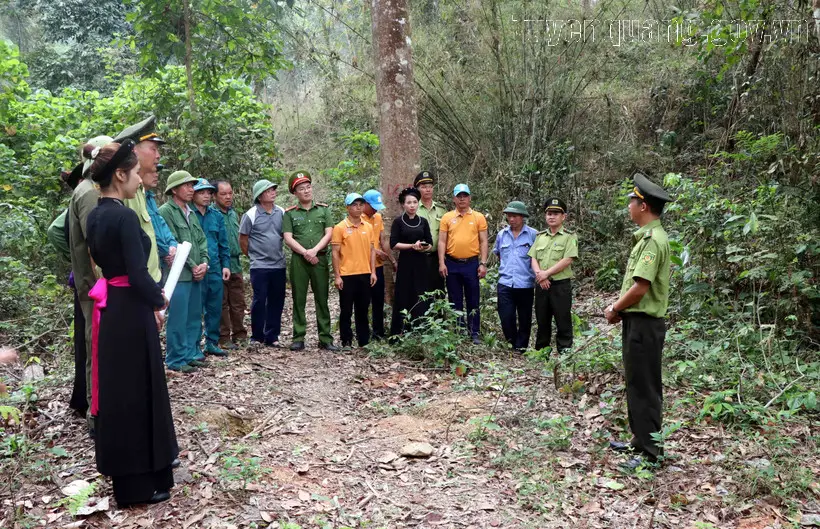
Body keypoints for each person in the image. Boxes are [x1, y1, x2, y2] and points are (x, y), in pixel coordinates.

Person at [84, 140, 177, 507]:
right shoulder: (123, 216)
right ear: (120, 175)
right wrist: (159, 297)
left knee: (121, 395)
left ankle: (132, 481)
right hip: (133, 310)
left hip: (112, 312)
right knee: (141, 392)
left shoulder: (95, 215)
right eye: (136, 173)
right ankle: (145, 480)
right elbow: (137, 274)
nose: (140, 179)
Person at [604, 173, 673, 469]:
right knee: (635, 383)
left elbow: (641, 286)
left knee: (645, 387)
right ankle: (639, 440)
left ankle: (650, 454)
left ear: (643, 206)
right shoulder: (648, 237)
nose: (629, 205)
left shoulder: (653, 240)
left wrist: (614, 308)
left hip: (645, 324)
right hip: (637, 322)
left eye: (632, 200)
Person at [68, 134, 114, 435]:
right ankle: (96, 417)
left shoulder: (90, 189)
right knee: (95, 348)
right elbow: (94, 244)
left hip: (97, 285)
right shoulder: (87, 193)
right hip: (95, 287)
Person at [113, 116, 177, 283]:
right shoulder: (122, 189)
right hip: (137, 284)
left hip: (150, 279)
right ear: (134, 150)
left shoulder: (140, 189)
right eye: (153, 149)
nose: (158, 155)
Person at [48, 163, 89, 416]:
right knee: (86, 341)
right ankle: (82, 400)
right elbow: (55, 231)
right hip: (86, 280)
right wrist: (76, 258)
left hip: (87, 280)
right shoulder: (83, 199)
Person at [159, 171, 209, 373]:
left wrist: (204, 263)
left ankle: (190, 353)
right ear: (174, 190)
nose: (191, 189)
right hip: (177, 276)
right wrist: (192, 265)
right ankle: (176, 358)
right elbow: (172, 244)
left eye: (192, 185)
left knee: (194, 316)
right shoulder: (166, 212)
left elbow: (201, 240)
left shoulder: (191, 212)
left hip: (196, 275)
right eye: (187, 186)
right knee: (178, 318)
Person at [282, 171, 338, 351]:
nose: (306, 191)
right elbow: (288, 238)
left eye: (308, 187)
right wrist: (306, 252)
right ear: (295, 193)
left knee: (322, 298)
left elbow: (329, 233)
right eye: (301, 189)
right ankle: (298, 337)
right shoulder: (290, 214)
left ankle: (325, 338)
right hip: (299, 261)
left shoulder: (323, 209)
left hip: (319, 259)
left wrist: (314, 251)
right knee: (299, 299)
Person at [438, 184, 488, 344]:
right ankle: (459, 332)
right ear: (454, 199)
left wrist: (483, 263)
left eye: (464, 196)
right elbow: (442, 241)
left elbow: (484, 241)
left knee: (473, 299)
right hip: (452, 263)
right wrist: (441, 263)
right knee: (455, 299)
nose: (462, 199)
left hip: (471, 264)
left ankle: (474, 333)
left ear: (469, 198)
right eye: (459, 196)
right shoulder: (447, 217)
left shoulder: (478, 217)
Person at [239, 179, 286, 348]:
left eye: (274, 189)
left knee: (277, 300)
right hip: (259, 266)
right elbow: (243, 239)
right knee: (259, 300)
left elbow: (285, 235)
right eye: (268, 190)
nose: (273, 192)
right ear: (260, 196)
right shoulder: (250, 214)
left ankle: (272, 336)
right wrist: (253, 256)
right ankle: (257, 336)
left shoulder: (281, 212)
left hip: (279, 265)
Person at [529, 198, 578, 353]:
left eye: (556, 213)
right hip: (541, 285)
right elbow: (533, 257)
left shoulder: (569, 236)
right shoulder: (540, 236)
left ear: (563, 217)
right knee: (542, 320)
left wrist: (546, 274)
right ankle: (542, 353)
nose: (552, 216)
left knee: (562, 319)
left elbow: (568, 259)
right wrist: (539, 275)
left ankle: (565, 352)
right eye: (549, 213)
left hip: (560, 285)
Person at [332, 193, 377, 349]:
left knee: (363, 309)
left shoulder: (368, 227)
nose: (358, 208)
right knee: (346, 309)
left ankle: (364, 340)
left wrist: (373, 272)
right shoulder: (340, 227)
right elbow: (335, 253)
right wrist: (337, 276)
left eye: (361, 205)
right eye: (354, 205)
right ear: (347, 207)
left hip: (364, 273)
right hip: (347, 274)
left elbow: (372, 250)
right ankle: (346, 340)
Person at [192, 179, 231, 356]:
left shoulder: (216, 216)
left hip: (215, 268)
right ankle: (193, 346)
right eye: (202, 192)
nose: (206, 196)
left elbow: (223, 243)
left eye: (209, 192)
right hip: (195, 269)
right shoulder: (188, 214)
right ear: (193, 194)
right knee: (194, 309)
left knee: (215, 307)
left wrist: (226, 265)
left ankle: (212, 342)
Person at [493, 201, 537, 352]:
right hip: (505, 282)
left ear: (522, 217)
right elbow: (499, 254)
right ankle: (512, 342)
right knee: (506, 316)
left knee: (525, 317)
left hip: (525, 283)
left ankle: (522, 346)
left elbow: (537, 257)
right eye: (509, 216)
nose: (511, 219)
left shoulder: (533, 234)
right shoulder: (502, 234)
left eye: (515, 216)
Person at [389, 187, 433, 336]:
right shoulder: (398, 222)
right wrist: (411, 246)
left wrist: (423, 247)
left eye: (415, 202)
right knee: (403, 294)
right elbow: (393, 244)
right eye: (409, 202)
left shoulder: (423, 221)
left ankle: (420, 330)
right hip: (405, 263)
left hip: (421, 263)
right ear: (403, 204)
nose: (412, 205)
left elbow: (430, 242)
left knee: (420, 294)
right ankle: (399, 331)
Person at [212, 180, 247, 349]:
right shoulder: (212, 214)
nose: (228, 197)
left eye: (230, 193)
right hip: (219, 264)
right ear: (214, 196)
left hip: (235, 263)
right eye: (223, 194)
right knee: (222, 302)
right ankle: (223, 337)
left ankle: (240, 334)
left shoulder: (233, 213)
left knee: (238, 301)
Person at [362, 189, 395, 340]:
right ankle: (363, 334)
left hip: (378, 266)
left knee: (378, 301)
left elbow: (383, 240)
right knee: (363, 302)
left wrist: (392, 260)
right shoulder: (358, 218)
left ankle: (378, 333)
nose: (375, 209)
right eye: (373, 206)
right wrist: (375, 251)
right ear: (365, 204)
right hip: (363, 266)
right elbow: (358, 244)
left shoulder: (378, 218)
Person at [414, 171, 448, 296]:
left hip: (437, 258)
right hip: (418, 257)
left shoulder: (441, 209)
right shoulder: (414, 209)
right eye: (423, 187)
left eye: (429, 187)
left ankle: (439, 316)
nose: (427, 190)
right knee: (420, 292)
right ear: (418, 189)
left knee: (438, 291)